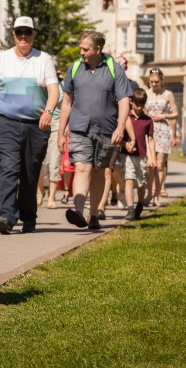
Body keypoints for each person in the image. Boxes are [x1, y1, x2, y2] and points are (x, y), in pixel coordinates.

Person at [0, 16, 59, 234]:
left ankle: (29, 217)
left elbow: (53, 90)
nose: (23, 36)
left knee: (30, 174)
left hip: (36, 126)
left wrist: (49, 112)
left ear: (33, 35)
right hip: (7, 123)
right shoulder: (0, 59)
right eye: (19, 32)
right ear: (13, 35)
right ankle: (5, 215)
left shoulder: (43, 59)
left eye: (27, 32)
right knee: (9, 169)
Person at [58, 30, 133, 230]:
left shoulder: (114, 69)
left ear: (98, 49)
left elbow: (124, 100)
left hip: (106, 130)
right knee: (82, 167)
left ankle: (94, 215)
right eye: (80, 48)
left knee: (99, 172)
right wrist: (60, 132)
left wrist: (120, 127)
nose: (81, 52)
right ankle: (79, 213)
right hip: (79, 129)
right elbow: (67, 102)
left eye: (85, 49)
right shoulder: (74, 68)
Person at [144, 68, 178, 206]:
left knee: (159, 165)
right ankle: (149, 193)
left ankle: (156, 194)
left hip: (163, 129)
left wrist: (164, 116)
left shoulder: (168, 94)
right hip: (149, 129)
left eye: (156, 82)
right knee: (149, 165)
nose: (153, 84)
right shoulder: (146, 93)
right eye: (151, 82)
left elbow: (175, 113)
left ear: (161, 80)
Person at [120, 88, 154, 221]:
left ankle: (139, 204)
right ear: (131, 101)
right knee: (129, 180)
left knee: (141, 183)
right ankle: (130, 209)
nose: (139, 107)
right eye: (137, 104)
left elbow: (150, 140)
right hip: (127, 154)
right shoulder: (126, 117)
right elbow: (119, 136)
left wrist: (152, 157)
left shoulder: (148, 120)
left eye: (142, 105)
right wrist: (125, 144)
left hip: (142, 155)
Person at [37, 57, 64, 209]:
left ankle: (52, 197)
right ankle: (39, 192)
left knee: (54, 161)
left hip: (57, 125)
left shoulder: (62, 85)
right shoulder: (39, 83)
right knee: (40, 161)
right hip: (40, 123)